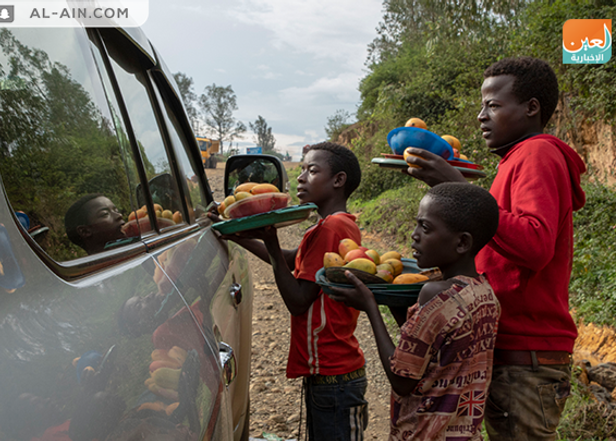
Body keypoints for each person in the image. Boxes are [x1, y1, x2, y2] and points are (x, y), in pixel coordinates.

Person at [402, 57, 587, 440]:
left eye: (493, 105)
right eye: (481, 105)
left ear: (531, 108)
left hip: (527, 355)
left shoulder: (538, 154)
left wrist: (465, 191)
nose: (481, 116)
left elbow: (535, 244)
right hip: (511, 351)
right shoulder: (514, 160)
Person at [215, 141, 368, 440]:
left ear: (338, 181)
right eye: (302, 169)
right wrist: (234, 234)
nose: (300, 177)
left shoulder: (330, 229)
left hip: (333, 374)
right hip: (330, 374)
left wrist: (270, 243)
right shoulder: (331, 226)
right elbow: (289, 259)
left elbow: (298, 301)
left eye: (312, 171)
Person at [329, 182, 501, 440]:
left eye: (426, 227)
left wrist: (371, 308)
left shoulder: (435, 294)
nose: (414, 234)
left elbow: (402, 379)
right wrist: (392, 300)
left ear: (462, 242)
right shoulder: (485, 293)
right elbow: (430, 350)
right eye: (417, 224)